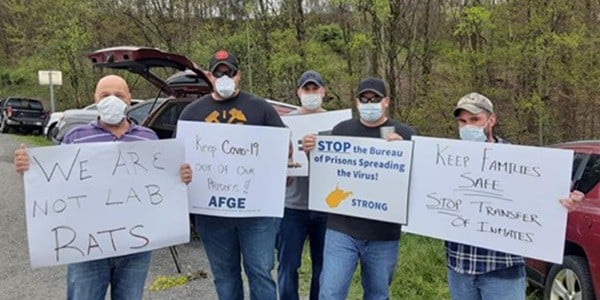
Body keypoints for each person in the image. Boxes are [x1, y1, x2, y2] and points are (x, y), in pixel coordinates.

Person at [13, 74, 193, 300]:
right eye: (105, 95)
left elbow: (164, 183)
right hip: (88, 248)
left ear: (129, 99)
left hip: (135, 245)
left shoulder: (149, 139)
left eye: (118, 95)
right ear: (95, 99)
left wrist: (181, 176)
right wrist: (29, 168)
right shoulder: (75, 137)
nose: (112, 100)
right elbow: (53, 181)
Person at [448, 92, 585, 300]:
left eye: (475, 120)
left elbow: (544, 200)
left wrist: (565, 202)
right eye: (462, 121)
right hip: (459, 267)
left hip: (503, 270)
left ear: (491, 120)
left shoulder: (521, 160)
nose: (468, 127)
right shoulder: (446, 158)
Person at [177, 50, 286, 300]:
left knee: (260, 272)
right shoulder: (191, 114)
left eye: (230, 72)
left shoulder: (261, 109)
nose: (224, 76)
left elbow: (282, 150)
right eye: (218, 72)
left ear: (239, 75)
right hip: (212, 214)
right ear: (209, 76)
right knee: (225, 276)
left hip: (256, 213)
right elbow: (177, 160)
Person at [303, 77, 416, 300]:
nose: (369, 103)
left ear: (386, 102)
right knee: (330, 293)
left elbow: (416, 179)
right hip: (341, 229)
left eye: (375, 98)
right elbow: (326, 172)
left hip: (383, 234)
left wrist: (405, 151)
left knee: (377, 295)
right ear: (357, 102)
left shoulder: (404, 132)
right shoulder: (342, 129)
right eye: (364, 98)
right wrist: (311, 151)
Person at [277, 70, 328, 300]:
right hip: (292, 206)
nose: (310, 93)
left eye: (314, 89)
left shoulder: (335, 124)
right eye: (306, 89)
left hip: (325, 208)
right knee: (288, 267)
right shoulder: (284, 124)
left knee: (323, 268)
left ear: (323, 92)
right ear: (298, 92)